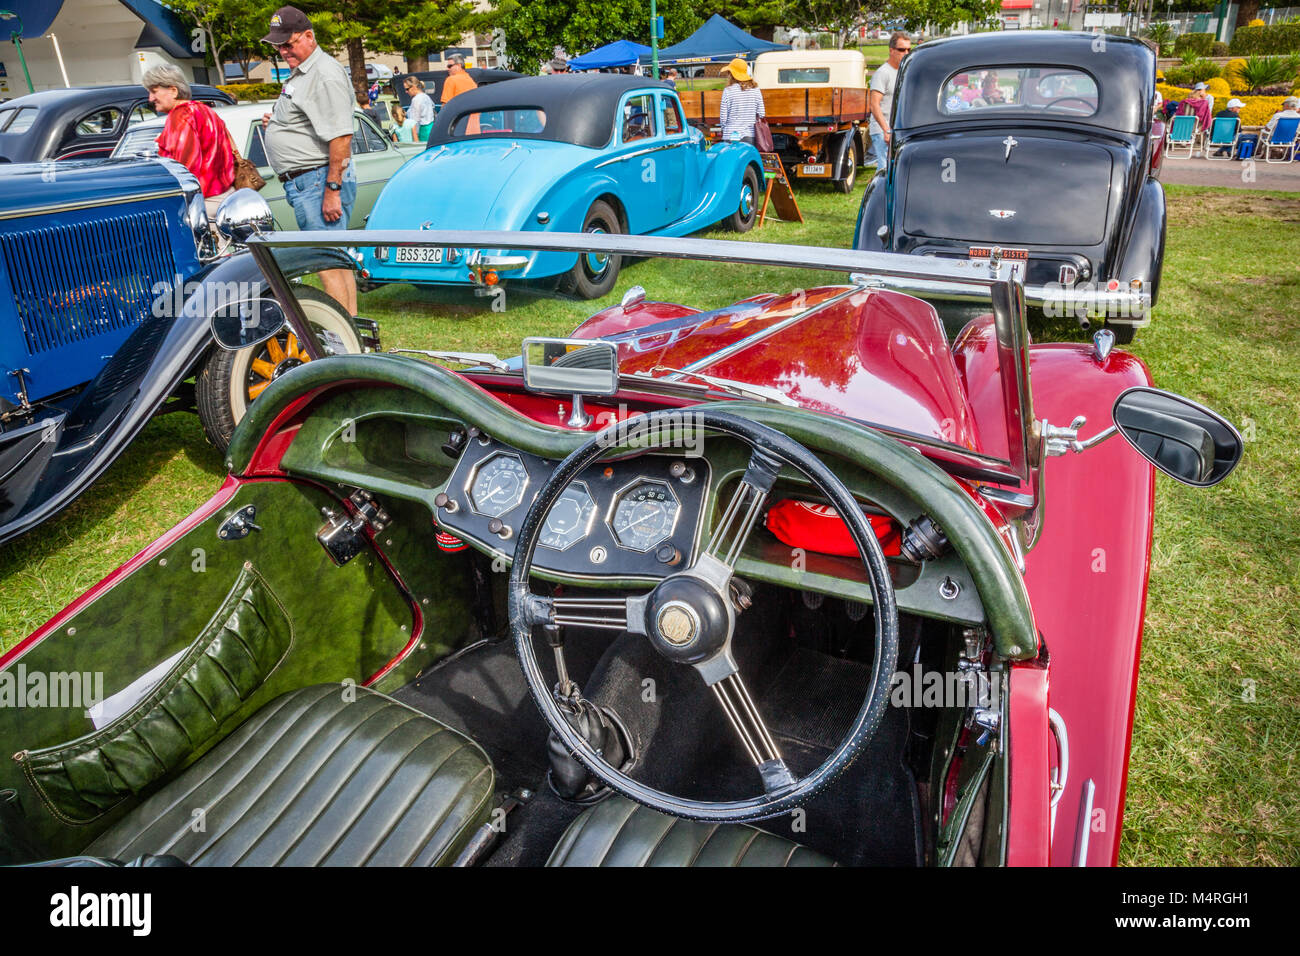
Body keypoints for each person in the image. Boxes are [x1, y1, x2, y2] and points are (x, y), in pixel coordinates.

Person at [260, 5, 357, 316]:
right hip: (311, 181)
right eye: (278, 47)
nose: (284, 51)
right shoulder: (304, 72)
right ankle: (351, 333)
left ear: (309, 37)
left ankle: (343, 340)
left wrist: (332, 190)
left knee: (326, 264)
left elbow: (341, 137)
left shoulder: (323, 74)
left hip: (317, 181)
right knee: (335, 261)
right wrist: (277, 124)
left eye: (288, 44)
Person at [143, 63, 235, 219]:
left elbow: (183, 168)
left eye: (154, 91)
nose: (150, 98)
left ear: (173, 90)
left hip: (201, 203)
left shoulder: (180, 116)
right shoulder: (205, 110)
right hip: (227, 196)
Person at [868, 31, 910, 170]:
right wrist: (886, 130)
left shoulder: (904, 72)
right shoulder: (882, 73)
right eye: (901, 49)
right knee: (885, 170)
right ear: (891, 50)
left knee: (897, 170)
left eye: (909, 49)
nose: (906, 52)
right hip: (882, 130)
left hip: (897, 129)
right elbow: (874, 105)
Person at [718, 57, 764, 145]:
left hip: (730, 135)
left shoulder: (728, 90)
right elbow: (761, 113)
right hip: (749, 135)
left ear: (732, 74)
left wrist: (725, 129)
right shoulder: (755, 89)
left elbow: (723, 117)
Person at [404, 76, 435, 141]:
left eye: (407, 89)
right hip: (430, 129)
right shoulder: (426, 96)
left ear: (414, 87)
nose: (406, 92)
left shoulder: (416, 100)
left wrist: (415, 137)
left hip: (423, 132)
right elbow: (433, 107)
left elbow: (414, 121)